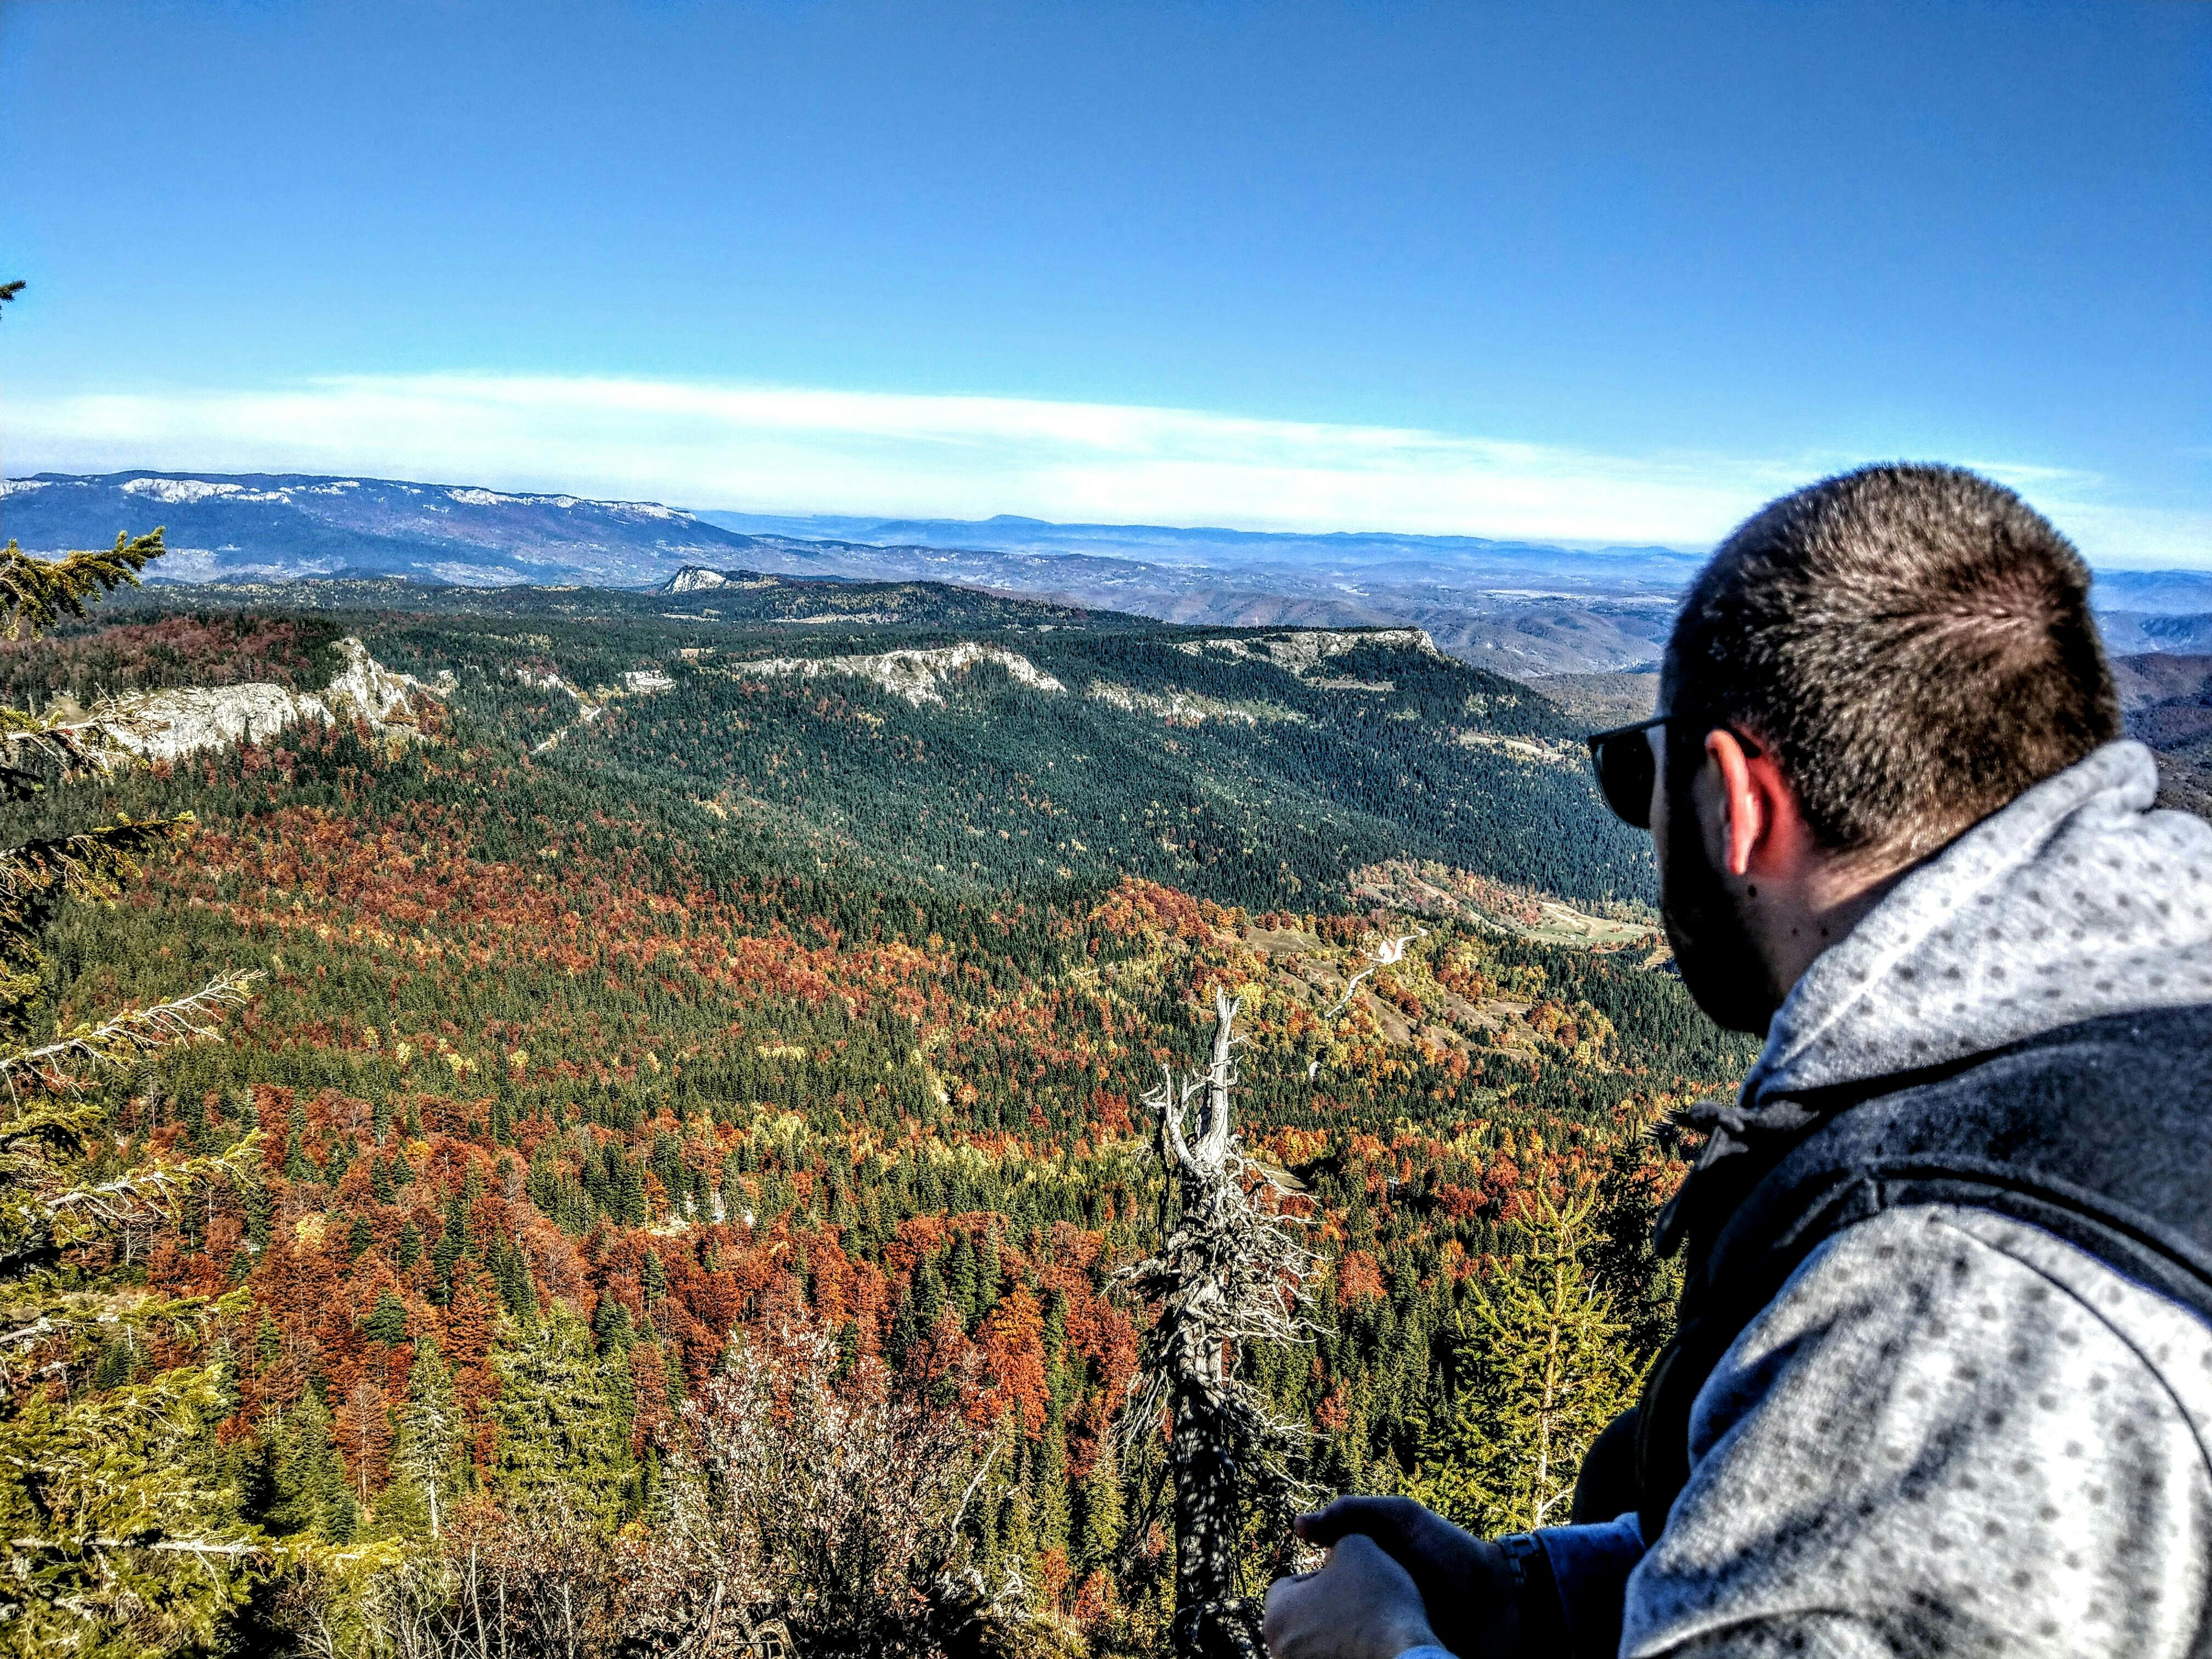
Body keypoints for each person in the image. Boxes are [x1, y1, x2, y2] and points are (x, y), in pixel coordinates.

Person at [1263, 464, 2212, 1659]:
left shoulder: (1943, 1286)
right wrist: (1522, 1595)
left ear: (1746, 807)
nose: (1641, 819)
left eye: (1641, 776)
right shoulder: (2127, 1052)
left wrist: (1384, 1655)